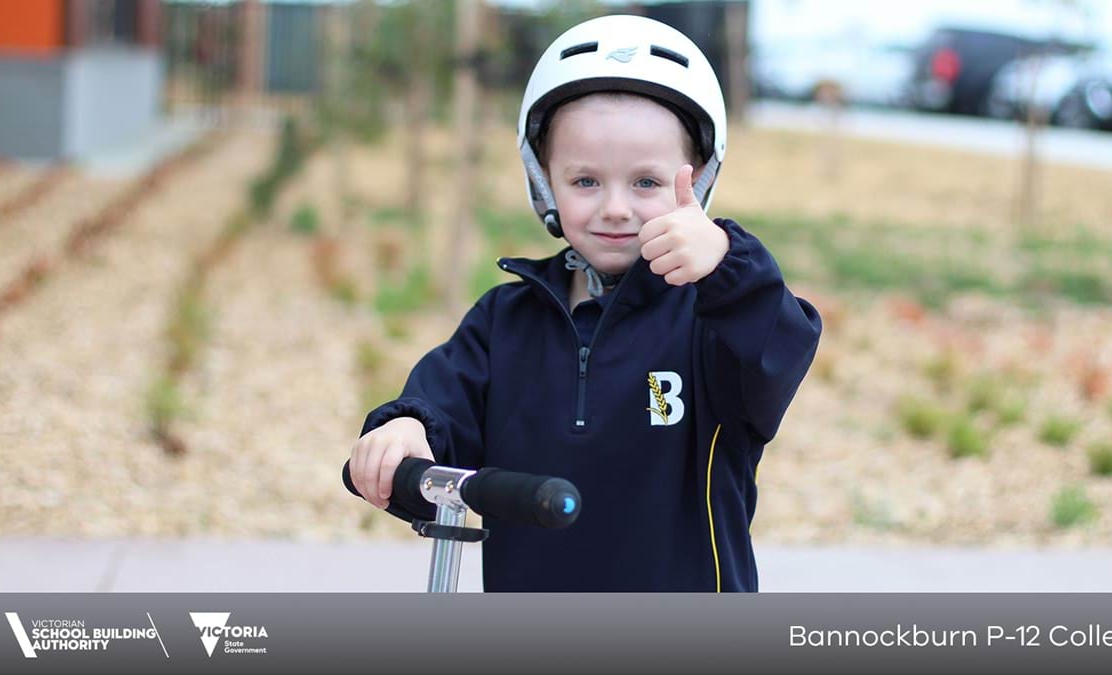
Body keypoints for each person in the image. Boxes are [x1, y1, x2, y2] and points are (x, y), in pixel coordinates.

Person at [347, 14, 822, 592]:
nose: (616, 208)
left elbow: (780, 350)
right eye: (586, 182)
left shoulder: (711, 320)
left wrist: (727, 261)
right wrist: (405, 427)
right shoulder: (505, 322)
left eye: (646, 183)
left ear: (695, 183)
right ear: (544, 181)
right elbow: (443, 402)